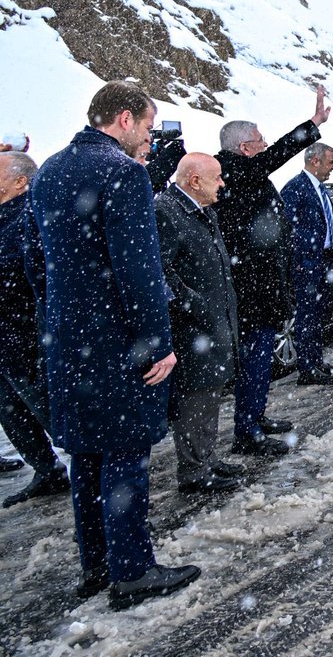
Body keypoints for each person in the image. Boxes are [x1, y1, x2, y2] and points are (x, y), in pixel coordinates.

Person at [26, 80, 200, 609]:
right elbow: (139, 270)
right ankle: (132, 570)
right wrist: (157, 343)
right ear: (125, 119)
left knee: (86, 457)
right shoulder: (123, 174)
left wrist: (58, 324)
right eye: (148, 127)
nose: (150, 138)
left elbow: (37, 265)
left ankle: (96, 565)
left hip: (67, 340)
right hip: (118, 342)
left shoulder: (52, 169)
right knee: (125, 454)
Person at [213, 87, 330, 457]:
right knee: (254, 358)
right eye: (260, 140)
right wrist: (311, 125)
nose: (265, 145)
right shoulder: (235, 170)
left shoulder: (244, 171)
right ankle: (247, 431)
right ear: (245, 147)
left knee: (260, 359)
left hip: (259, 282)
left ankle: (255, 416)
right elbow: (279, 154)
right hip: (250, 286)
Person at [154, 153, 244, 495]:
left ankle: (205, 458)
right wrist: (196, 303)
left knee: (209, 394)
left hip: (212, 322)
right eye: (217, 178)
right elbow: (161, 272)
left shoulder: (202, 211)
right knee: (195, 396)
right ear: (194, 181)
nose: (222, 184)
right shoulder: (167, 212)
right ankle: (193, 471)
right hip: (191, 329)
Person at [0, 151, 71, 508]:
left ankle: (102, 487)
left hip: (27, 337)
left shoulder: (32, 216)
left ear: (20, 181)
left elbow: (35, 274)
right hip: (6, 342)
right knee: (12, 414)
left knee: (52, 412)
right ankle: (46, 469)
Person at [281, 142, 333, 386]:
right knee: (306, 317)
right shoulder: (295, 188)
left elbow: (329, 221)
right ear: (315, 161)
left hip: (324, 262)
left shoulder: (320, 189)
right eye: (330, 161)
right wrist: (305, 256)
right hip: (306, 265)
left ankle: (318, 361)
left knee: (318, 315)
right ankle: (307, 368)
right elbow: (287, 228)